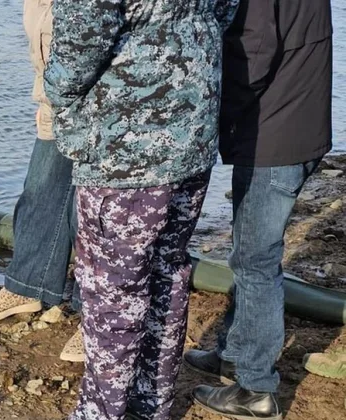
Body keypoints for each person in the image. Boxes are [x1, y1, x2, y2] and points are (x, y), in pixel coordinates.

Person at [43, 0, 240, 419]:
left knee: (113, 288)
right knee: (166, 270)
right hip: (194, 128)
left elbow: (82, 39)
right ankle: (150, 404)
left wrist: (56, 90)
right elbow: (224, 10)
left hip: (126, 148)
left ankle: (103, 411)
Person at [187, 1, 333, 419]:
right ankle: (234, 351)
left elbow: (253, 56)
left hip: (275, 137)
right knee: (250, 253)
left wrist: (213, 120)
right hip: (299, 124)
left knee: (255, 260)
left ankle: (255, 388)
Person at [0, 0, 84, 363]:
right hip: (56, 96)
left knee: (94, 211)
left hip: (97, 103)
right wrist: (46, 94)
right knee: (39, 190)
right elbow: (45, 38)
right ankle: (28, 286)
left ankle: (95, 314)